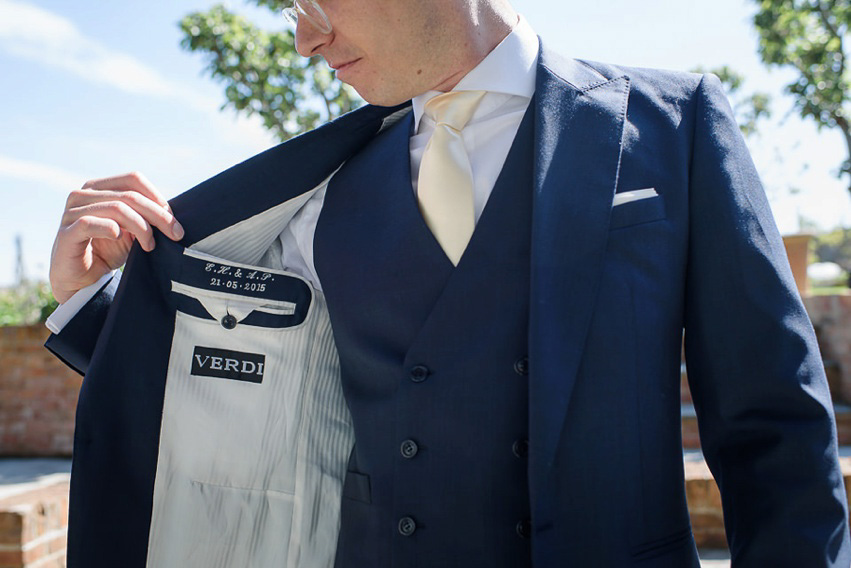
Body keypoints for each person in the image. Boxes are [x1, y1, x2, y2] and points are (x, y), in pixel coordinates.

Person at [46, 0, 851, 566]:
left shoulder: (674, 127)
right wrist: (90, 297)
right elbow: (219, 366)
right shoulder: (315, 188)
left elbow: (774, 425)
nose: (303, 40)